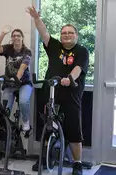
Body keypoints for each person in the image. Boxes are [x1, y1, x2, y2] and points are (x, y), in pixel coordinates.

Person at [27, 6, 89, 175]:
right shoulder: (54, 46)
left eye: (70, 33)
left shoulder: (81, 51)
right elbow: (44, 32)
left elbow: (77, 69)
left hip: (71, 95)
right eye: (64, 33)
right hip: (51, 93)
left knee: (74, 129)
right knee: (47, 125)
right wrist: (36, 18)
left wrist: (69, 79)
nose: (66, 35)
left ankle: (77, 163)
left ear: (76, 35)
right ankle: (45, 157)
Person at [0, 26, 33, 132]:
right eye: (14, 36)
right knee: (5, 108)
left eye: (18, 36)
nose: (16, 38)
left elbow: (23, 67)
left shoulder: (27, 52)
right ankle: (6, 127)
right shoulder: (8, 49)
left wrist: (17, 78)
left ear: (22, 38)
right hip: (9, 85)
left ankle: (25, 121)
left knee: (23, 102)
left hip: (24, 83)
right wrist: (2, 33)